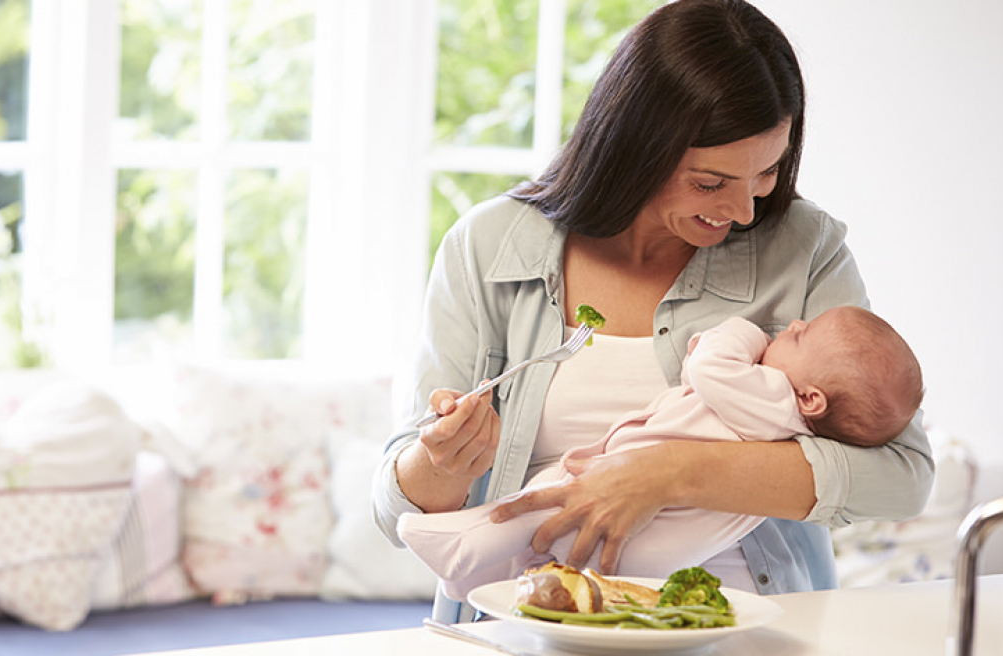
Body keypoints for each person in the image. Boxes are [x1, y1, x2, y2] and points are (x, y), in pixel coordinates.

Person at [372, 0, 934, 624]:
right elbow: (395, 512)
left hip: (743, 625)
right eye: (709, 182)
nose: (745, 210)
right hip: (532, 622)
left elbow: (902, 475)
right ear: (633, 149)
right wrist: (443, 463)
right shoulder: (489, 246)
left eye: (767, 172)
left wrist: (669, 472)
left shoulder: (803, 249)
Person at [396, 307, 924, 601]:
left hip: (642, 505)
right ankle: (475, 578)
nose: (787, 327)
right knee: (543, 550)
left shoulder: (773, 395)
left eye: (800, 335)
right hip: (670, 548)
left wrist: (739, 330)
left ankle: (456, 546)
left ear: (811, 398)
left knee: (539, 504)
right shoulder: (795, 423)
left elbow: (711, 367)